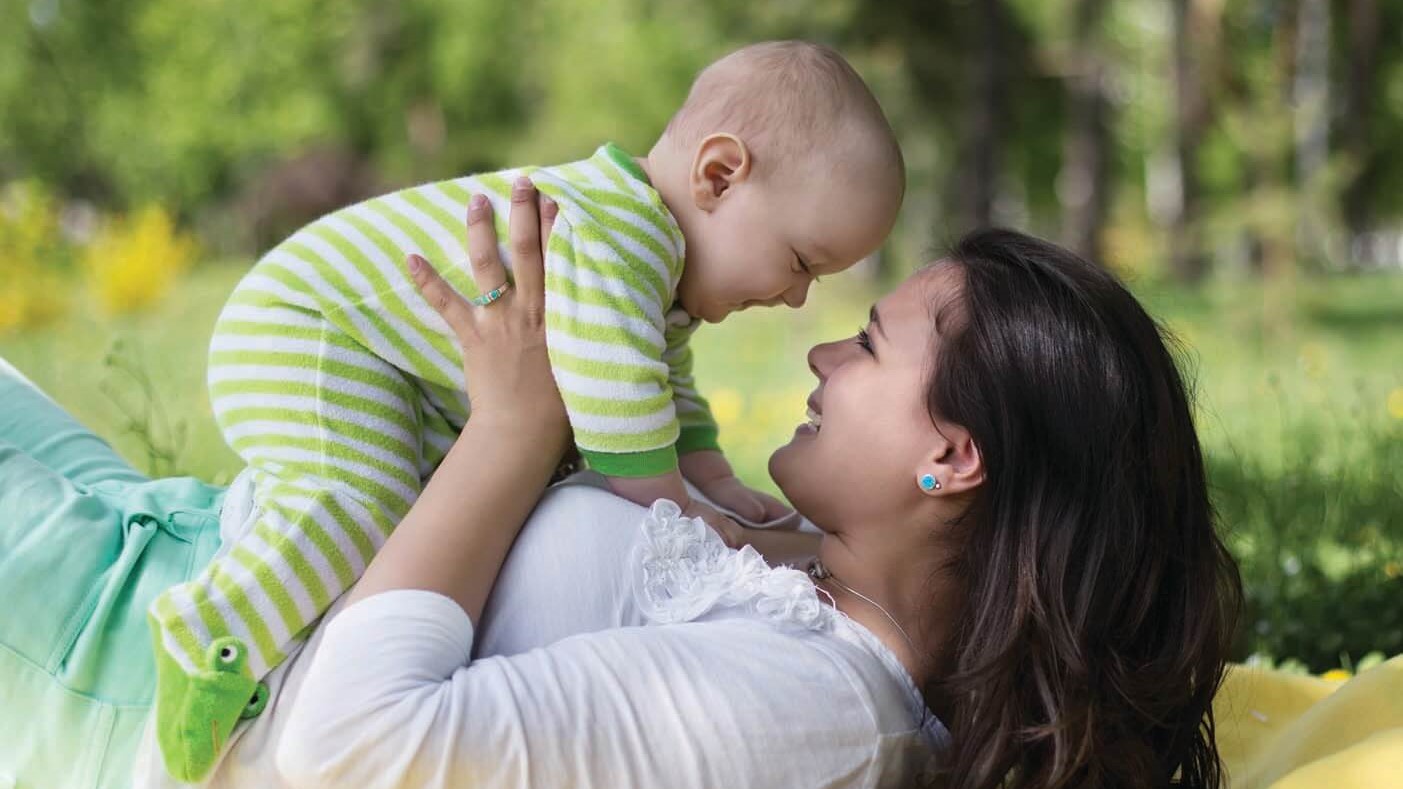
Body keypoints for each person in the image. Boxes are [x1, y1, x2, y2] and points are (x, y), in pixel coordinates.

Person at [1, 188, 1242, 789]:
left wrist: (509, 427)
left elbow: (346, 748)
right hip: (173, 549)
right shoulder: (820, 586)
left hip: (122, 684)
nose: (818, 350)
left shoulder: (806, 717)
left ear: (953, 458)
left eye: (866, 345)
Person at [146, 40, 906, 779]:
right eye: (802, 261)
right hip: (311, 330)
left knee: (394, 507)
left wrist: (709, 471)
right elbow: (620, 408)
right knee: (362, 496)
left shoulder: (653, 260)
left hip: (364, 350)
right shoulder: (619, 237)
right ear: (718, 175)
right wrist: (682, 513)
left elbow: (660, 383)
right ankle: (213, 633)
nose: (798, 296)